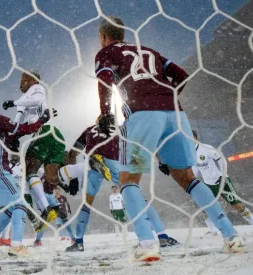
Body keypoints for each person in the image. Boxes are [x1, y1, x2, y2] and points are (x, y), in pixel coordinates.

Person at [95, 16, 245, 261]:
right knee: (186, 176)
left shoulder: (106, 52)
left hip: (142, 113)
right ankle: (231, 236)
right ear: (123, 33)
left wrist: (105, 114)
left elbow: (105, 81)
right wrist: (164, 95)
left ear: (103, 36)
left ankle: (147, 244)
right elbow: (182, 75)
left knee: (128, 180)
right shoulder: (149, 51)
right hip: (175, 113)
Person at [60, 124, 177, 252]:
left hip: (92, 164)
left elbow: (73, 152)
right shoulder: (119, 128)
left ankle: (79, 242)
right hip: (114, 160)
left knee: (86, 203)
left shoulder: (89, 129)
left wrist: (73, 179)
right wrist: (159, 161)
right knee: (138, 198)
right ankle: (162, 236)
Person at [0, 89, 52, 257]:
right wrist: (42, 120)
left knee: (9, 209)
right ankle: (16, 244)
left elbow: (1, 138)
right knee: (21, 203)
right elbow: (22, 129)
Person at [2, 71, 61, 232]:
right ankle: (46, 209)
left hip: (43, 130)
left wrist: (13, 103)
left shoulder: (36, 87)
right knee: (35, 172)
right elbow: (17, 122)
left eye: (23, 80)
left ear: (31, 80)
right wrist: (10, 132)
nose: (20, 84)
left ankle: (46, 208)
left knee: (30, 171)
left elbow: (38, 100)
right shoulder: (22, 100)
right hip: (40, 132)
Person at [191, 130, 252, 225]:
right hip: (209, 184)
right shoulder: (191, 153)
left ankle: (251, 220)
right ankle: (212, 230)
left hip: (221, 181)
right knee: (205, 207)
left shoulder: (207, 149)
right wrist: (192, 180)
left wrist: (222, 175)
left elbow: (222, 160)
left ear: (195, 138)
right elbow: (195, 169)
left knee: (237, 205)